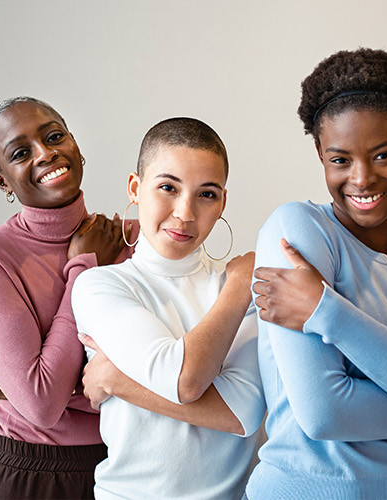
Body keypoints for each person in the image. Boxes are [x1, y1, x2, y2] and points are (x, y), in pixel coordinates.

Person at [244, 48, 387, 498]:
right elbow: (324, 412)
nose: (362, 178)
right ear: (319, 153)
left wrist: (326, 311)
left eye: (384, 154)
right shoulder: (298, 229)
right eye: (340, 160)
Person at [70, 117, 264, 500]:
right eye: (168, 188)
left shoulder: (241, 287)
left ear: (223, 201)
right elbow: (183, 381)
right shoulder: (101, 286)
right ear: (135, 188)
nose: (185, 213)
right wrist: (238, 288)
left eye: (206, 194)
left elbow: (242, 414)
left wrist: (119, 380)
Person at [0, 96, 131, 500]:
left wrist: (29, 382)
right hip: (34, 473)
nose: (46, 153)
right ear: (2, 181)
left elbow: (165, 373)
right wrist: (84, 269)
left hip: (131, 463)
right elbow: (42, 406)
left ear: (76, 146)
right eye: (20, 152)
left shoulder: (135, 238)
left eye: (54, 136)